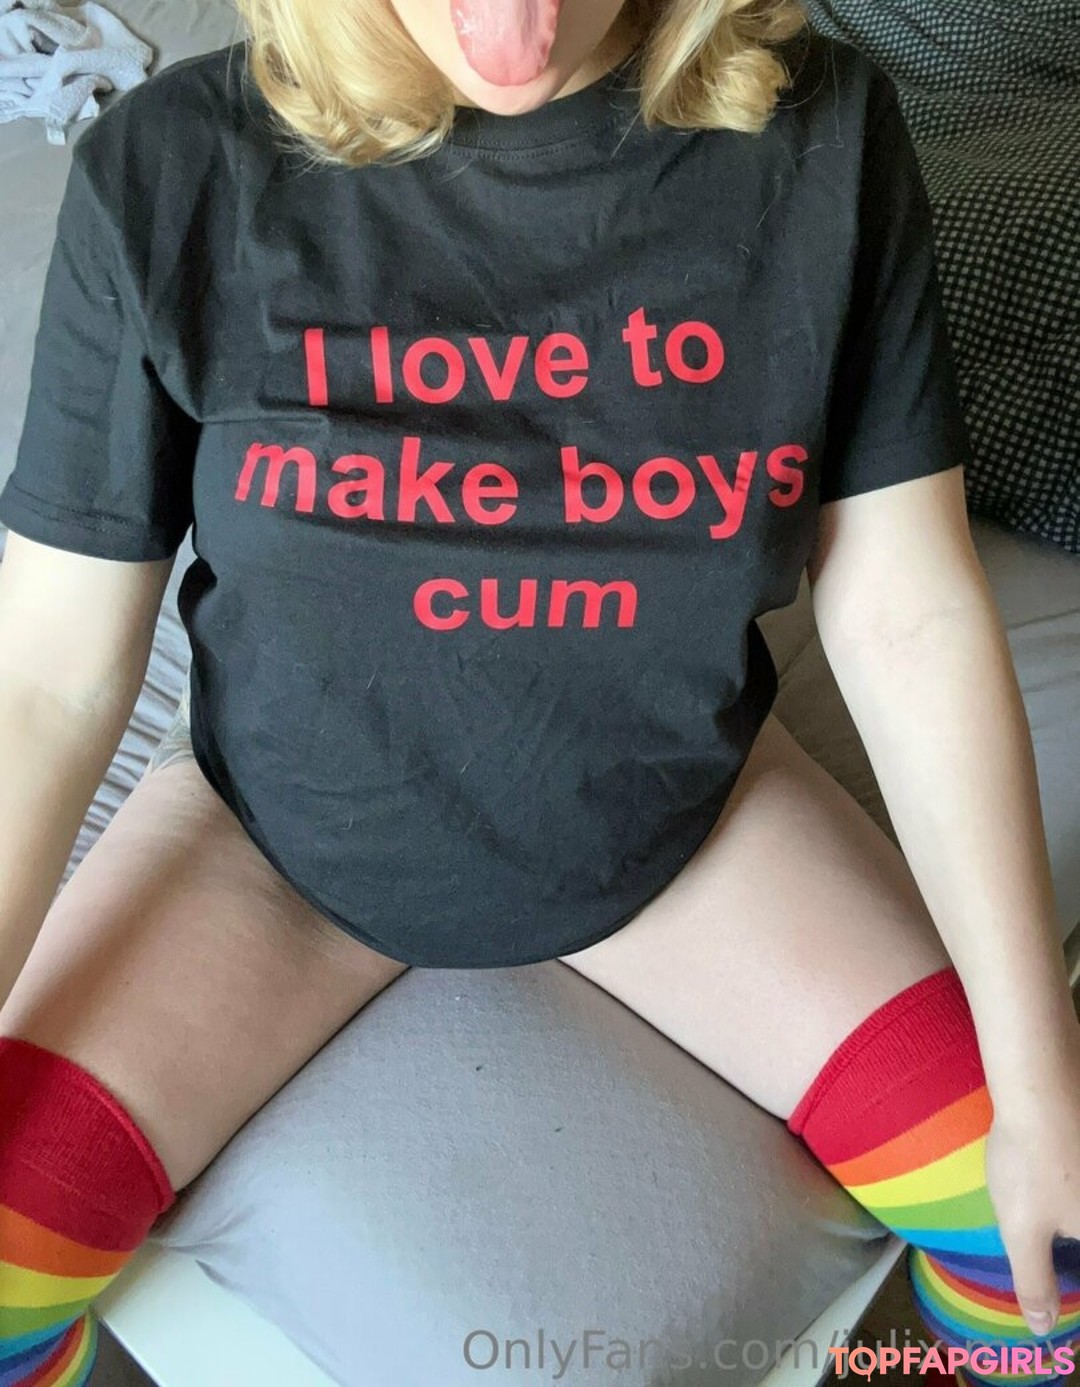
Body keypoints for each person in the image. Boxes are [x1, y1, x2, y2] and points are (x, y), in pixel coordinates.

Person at [0, 1, 1077, 1383]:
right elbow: (45, 682)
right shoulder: (169, 167)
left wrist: (1042, 1075)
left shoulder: (824, 135)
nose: (518, 20)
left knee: (1054, 1270)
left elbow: (907, 612)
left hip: (679, 822)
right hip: (276, 839)